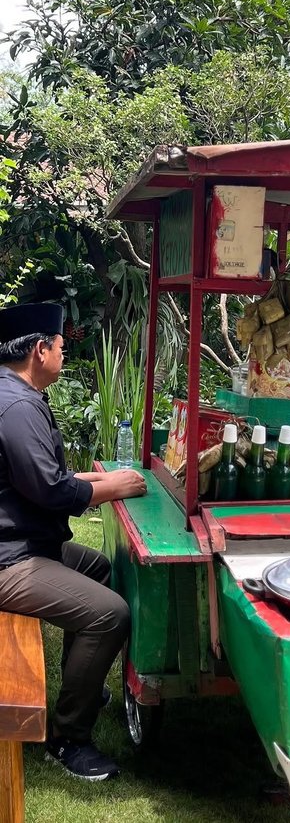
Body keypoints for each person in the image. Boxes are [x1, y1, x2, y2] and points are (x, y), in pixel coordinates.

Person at [0, 302, 147, 781]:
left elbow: (44, 477)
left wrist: (99, 480)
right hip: (10, 558)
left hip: (25, 536)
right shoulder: (17, 406)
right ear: (40, 350)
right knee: (110, 614)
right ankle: (67, 739)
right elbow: (51, 490)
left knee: (99, 568)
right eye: (61, 347)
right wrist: (114, 488)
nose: (64, 354)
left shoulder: (14, 393)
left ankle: (81, 684)